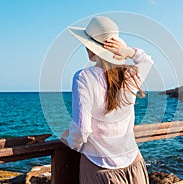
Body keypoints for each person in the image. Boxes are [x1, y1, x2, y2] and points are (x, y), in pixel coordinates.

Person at [61, 16, 153, 184]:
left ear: (93, 49)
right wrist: (129, 52)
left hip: (100, 168)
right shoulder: (130, 75)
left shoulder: (83, 77)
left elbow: (82, 130)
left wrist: (69, 141)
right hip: (134, 162)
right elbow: (147, 61)